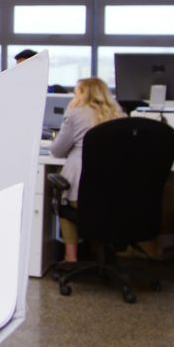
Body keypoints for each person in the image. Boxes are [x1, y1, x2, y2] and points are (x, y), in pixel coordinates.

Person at [49, 77, 126, 264]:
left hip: (81, 193)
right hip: (115, 194)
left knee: (63, 200)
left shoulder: (76, 113)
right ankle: (103, 252)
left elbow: (57, 151)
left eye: (76, 93)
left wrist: (70, 111)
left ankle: (70, 257)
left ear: (83, 94)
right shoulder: (120, 115)